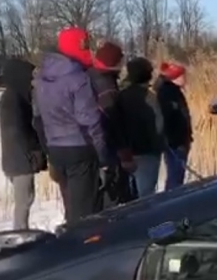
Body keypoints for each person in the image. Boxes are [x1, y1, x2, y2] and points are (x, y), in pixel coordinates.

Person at [33, 26, 110, 223]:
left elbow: (38, 119)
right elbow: (90, 121)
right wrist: (102, 156)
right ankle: (83, 249)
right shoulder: (78, 78)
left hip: (56, 148)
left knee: (71, 206)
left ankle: (71, 242)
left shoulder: (42, 78)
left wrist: (48, 150)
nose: (89, 51)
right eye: (85, 45)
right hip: (80, 148)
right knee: (85, 213)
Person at [0, 57, 46, 230]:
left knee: (25, 200)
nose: (32, 81)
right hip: (20, 159)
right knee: (24, 201)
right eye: (30, 76)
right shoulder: (15, 100)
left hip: (16, 158)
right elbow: (19, 131)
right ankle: (20, 233)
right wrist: (34, 151)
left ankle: (21, 231)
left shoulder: (12, 97)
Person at [88, 40, 136, 208]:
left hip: (94, 146)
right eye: (121, 61)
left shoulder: (91, 76)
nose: (123, 66)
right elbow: (114, 122)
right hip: (109, 149)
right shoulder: (107, 87)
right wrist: (126, 155)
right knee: (114, 195)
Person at [118, 57, 166, 198]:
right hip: (147, 152)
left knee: (131, 194)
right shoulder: (150, 97)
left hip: (127, 152)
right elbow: (158, 125)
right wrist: (160, 145)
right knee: (146, 194)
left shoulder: (121, 96)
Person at [155, 62, 193, 190]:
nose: (186, 79)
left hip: (178, 140)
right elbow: (168, 117)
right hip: (175, 141)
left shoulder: (173, 92)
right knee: (175, 176)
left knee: (176, 175)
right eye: (183, 76)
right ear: (176, 77)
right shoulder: (169, 93)